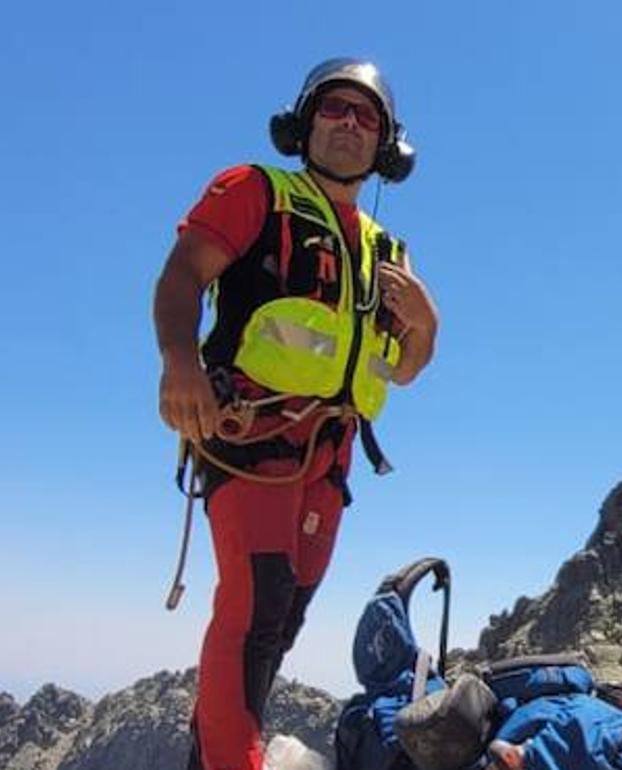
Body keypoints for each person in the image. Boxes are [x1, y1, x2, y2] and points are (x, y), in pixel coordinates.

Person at [153, 58, 439, 770]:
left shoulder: (387, 254)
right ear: (304, 125)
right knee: (256, 605)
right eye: (334, 109)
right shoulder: (255, 191)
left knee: (281, 618)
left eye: (365, 116)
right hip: (249, 435)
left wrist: (427, 329)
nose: (348, 123)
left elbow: (400, 369)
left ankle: (212, 753)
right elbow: (184, 271)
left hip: (331, 461)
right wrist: (180, 364)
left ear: (386, 145)